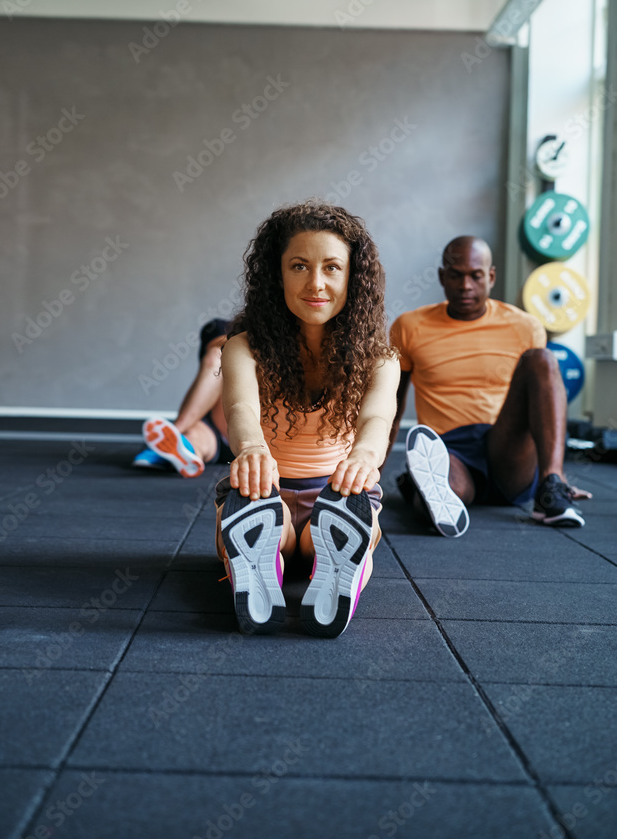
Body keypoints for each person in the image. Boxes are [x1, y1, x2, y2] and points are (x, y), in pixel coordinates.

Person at [215, 201, 400, 638]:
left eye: (332, 267)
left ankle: (333, 566)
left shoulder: (380, 358)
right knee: (256, 516)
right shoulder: (243, 346)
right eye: (299, 266)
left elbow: (377, 416)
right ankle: (267, 555)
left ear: (353, 277)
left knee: (350, 522)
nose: (316, 283)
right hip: (263, 488)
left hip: (337, 494)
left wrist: (364, 459)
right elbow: (240, 408)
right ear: (276, 274)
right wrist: (253, 450)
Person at [388, 236, 590, 538]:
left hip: (505, 446)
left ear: (491, 276)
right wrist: (369, 474)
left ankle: (552, 485)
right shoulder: (409, 326)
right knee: (434, 501)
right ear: (443, 277)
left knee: (542, 359)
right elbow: (391, 405)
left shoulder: (525, 325)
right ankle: (436, 494)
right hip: (448, 448)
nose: (465, 285)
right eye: (455, 275)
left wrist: (552, 468)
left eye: (475, 275)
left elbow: (543, 401)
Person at [134, 318, 232, 476]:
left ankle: (171, 436)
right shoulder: (219, 327)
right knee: (218, 355)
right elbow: (223, 346)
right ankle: (181, 444)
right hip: (216, 432)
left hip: (264, 437)